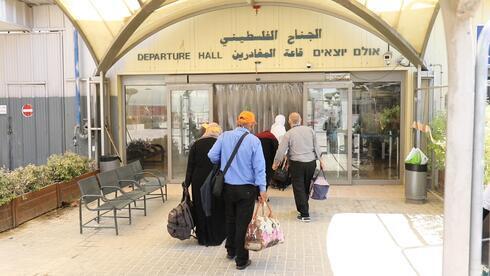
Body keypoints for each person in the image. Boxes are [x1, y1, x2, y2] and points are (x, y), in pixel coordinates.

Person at [208, 111, 267, 270]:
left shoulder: (224, 136)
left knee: (230, 218)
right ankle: (241, 260)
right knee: (243, 223)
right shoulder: (254, 141)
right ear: (251, 124)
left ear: (238, 122)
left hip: (227, 187)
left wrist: (224, 162)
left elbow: (212, 155)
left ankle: (231, 250)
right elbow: (259, 168)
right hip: (246, 189)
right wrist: (262, 189)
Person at [273, 112, 325, 222]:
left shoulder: (289, 133)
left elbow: (281, 150)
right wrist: (321, 161)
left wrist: (276, 163)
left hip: (297, 164)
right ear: (300, 120)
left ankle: (304, 213)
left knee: (299, 187)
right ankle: (304, 207)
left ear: (289, 121)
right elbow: (316, 146)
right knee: (306, 186)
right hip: (311, 163)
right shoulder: (310, 130)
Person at [184, 123, 226, 246]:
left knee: (200, 206)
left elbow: (190, 167)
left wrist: (186, 184)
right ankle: (217, 236)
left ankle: (203, 237)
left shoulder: (196, 144)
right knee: (216, 206)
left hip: (198, 181)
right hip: (216, 181)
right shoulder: (220, 144)